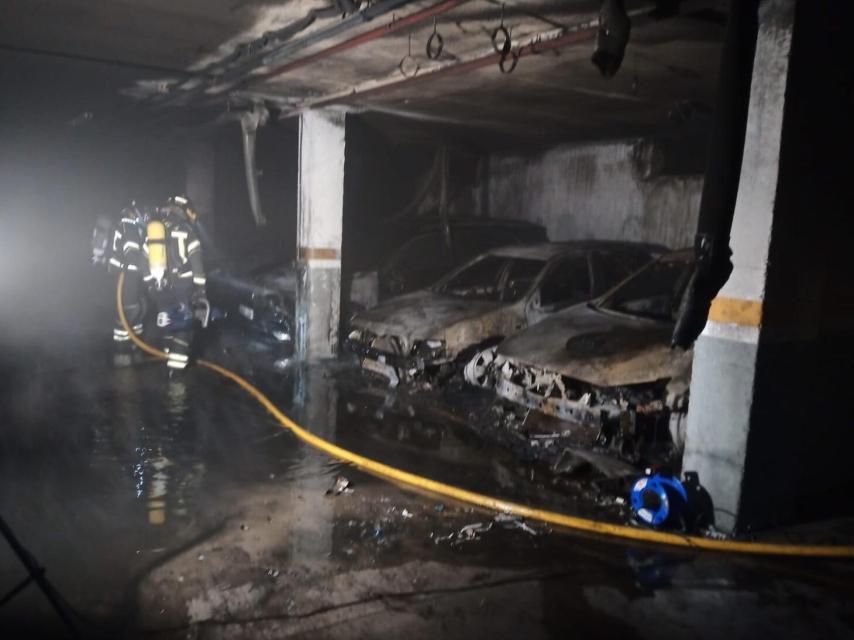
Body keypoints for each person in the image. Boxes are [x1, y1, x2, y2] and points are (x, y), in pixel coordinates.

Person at [140, 196, 208, 372]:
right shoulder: (187, 231)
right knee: (183, 328)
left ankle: (167, 355)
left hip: (160, 287)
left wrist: (150, 285)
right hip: (182, 288)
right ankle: (176, 380)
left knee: (168, 321)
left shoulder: (155, 233)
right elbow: (197, 263)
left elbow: (143, 261)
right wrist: (200, 289)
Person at [92, 203, 146, 348]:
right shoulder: (128, 226)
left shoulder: (119, 226)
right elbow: (132, 254)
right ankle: (124, 350)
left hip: (122, 274)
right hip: (127, 275)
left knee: (138, 307)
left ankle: (134, 344)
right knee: (131, 309)